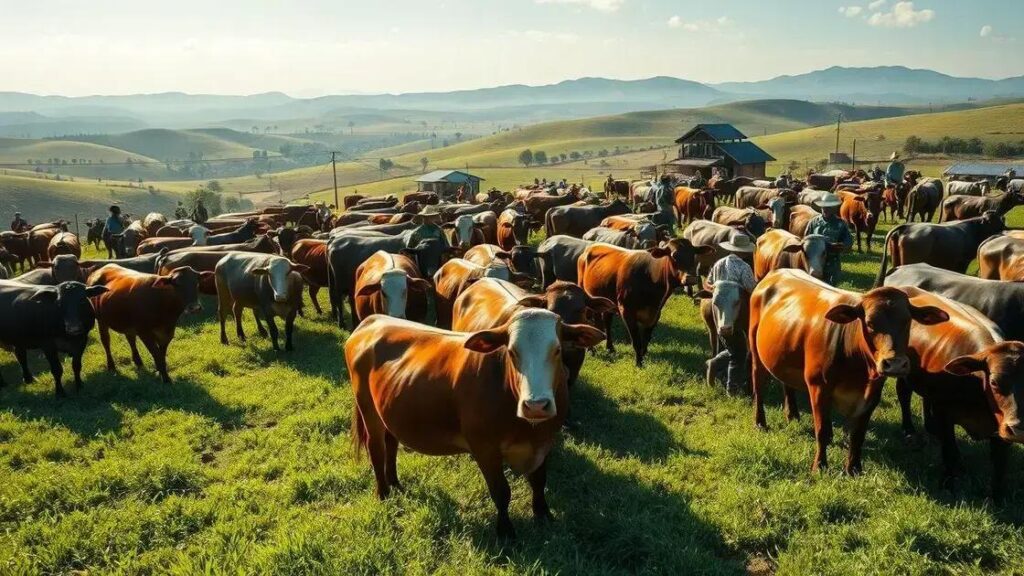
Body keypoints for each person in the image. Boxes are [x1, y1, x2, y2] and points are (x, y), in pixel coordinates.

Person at [704, 236, 757, 395]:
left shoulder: (719, 263)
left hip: (718, 308)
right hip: (734, 309)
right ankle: (732, 390)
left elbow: (709, 283)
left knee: (732, 345)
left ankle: (714, 363)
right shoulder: (744, 266)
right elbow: (751, 289)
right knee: (739, 352)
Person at [805, 192, 852, 286]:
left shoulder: (840, 224)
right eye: (823, 207)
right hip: (815, 261)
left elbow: (848, 242)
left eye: (829, 207)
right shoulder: (814, 222)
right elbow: (806, 239)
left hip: (832, 263)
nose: (825, 209)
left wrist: (840, 247)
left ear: (834, 208)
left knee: (830, 288)